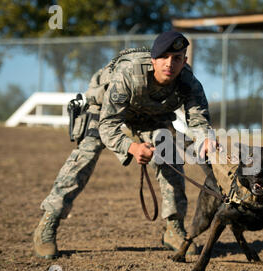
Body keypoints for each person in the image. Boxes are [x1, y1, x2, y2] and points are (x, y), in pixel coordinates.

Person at [33, 31, 217, 259]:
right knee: (85, 155)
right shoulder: (129, 74)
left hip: (151, 115)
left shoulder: (189, 82)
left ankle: (173, 228)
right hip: (103, 111)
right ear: (153, 59)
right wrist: (133, 147)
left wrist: (205, 139)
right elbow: (108, 125)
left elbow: (198, 120)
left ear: (184, 61)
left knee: (169, 154)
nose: (170, 64)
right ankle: (48, 223)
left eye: (177, 58)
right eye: (164, 57)